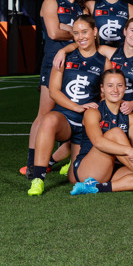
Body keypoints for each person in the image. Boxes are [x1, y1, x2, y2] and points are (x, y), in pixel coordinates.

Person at [28, 15, 111, 195]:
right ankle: (38, 178)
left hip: (85, 125)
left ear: (94, 31)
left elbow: (106, 95)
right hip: (65, 117)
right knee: (49, 120)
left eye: (84, 32)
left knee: (75, 178)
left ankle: (70, 163)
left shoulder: (104, 61)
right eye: (76, 33)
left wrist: (95, 111)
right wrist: (77, 107)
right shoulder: (64, 57)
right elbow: (54, 91)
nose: (80, 37)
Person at [23, 0, 91, 179]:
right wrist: (75, 32)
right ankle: (33, 165)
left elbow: (87, 35)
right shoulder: (52, 1)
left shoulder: (82, 8)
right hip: (54, 63)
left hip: (77, 64)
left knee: (74, 114)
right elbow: (53, 32)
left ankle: (64, 160)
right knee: (44, 114)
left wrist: (67, 28)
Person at [69, 69, 133, 197]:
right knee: (116, 133)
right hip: (89, 168)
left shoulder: (132, 117)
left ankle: (97, 188)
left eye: (120, 85)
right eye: (110, 85)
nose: (115, 90)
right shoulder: (93, 112)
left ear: (125, 88)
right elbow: (98, 142)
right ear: (102, 88)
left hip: (114, 169)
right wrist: (127, 150)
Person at [54, 17, 133, 124]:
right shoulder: (109, 52)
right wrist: (63, 50)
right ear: (125, 31)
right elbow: (84, 42)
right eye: (132, 30)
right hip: (110, 109)